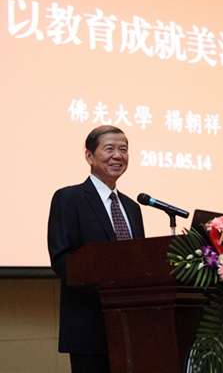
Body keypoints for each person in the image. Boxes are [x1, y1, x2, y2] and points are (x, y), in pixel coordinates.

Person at [47, 126, 145, 373]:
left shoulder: (132, 208)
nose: (118, 156)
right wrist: (110, 287)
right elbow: (62, 260)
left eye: (123, 149)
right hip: (89, 328)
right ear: (89, 156)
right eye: (109, 149)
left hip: (133, 328)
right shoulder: (69, 199)